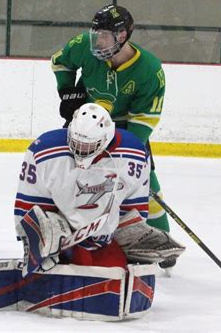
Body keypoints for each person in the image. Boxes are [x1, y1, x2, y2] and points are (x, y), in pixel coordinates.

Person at [50, 4, 174, 268]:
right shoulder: (84, 45)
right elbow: (59, 61)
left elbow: (144, 118)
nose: (98, 41)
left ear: (122, 36)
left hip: (124, 128)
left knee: (144, 182)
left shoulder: (149, 69)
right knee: (67, 176)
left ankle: (161, 241)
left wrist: (125, 149)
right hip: (86, 124)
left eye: (105, 35)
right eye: (96, 33)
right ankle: (64, 236)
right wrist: (67, 92)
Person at [14, 103, 184, 276]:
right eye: (76, 143)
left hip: (106, 243)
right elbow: (29, 204)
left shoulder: (134, 153)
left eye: (88, 145)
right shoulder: (44, 150)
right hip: (64, 244)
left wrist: (134, 240)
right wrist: (36, 240)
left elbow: (134, 210)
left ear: (106, 138)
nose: (80, 150)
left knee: (113, 274)